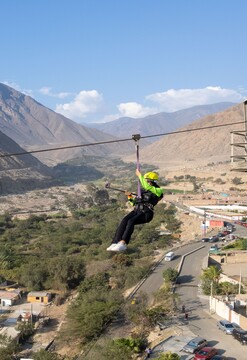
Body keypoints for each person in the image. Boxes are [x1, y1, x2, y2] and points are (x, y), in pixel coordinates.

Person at [107, 169, 164, 252]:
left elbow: (148, 187)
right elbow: (133, 203)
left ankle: (123, 242)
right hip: (137, 211)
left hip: (146, 213)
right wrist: (129, 196)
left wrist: (139, 175)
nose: (146, 182)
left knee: (131, 221)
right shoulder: (142, 192)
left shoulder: (158, 191)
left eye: (147, 181)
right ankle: (116, 241)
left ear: (152, 181)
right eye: (146, 181)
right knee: (124, 220)